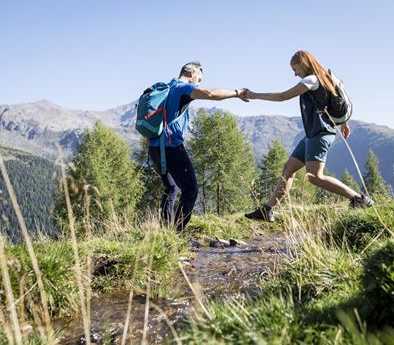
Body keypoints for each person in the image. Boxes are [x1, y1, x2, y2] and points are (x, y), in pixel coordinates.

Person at [243, 50, 373, 222]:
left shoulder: (311, 80)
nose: (294, 73)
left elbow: (282, 96)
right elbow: (336, 101)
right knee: (288, 169)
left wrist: (254, 95)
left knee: (314, 177)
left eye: (295, 69)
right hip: (313, 133)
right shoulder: (326, 77)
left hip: (320, 133)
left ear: (303, 64)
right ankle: (267, 210)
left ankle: (359, 199)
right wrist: (343, 123)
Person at [149, 61, 247, 232]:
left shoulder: (165, 88)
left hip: (155, 148)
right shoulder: (181, 88)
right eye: (199, 79)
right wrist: (237, 93)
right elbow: (209, 94)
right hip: (172, 148)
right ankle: (177, 235)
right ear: (191, 72)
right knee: (191, 191)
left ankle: (166, 233)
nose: (198, 83)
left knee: (171, 188)